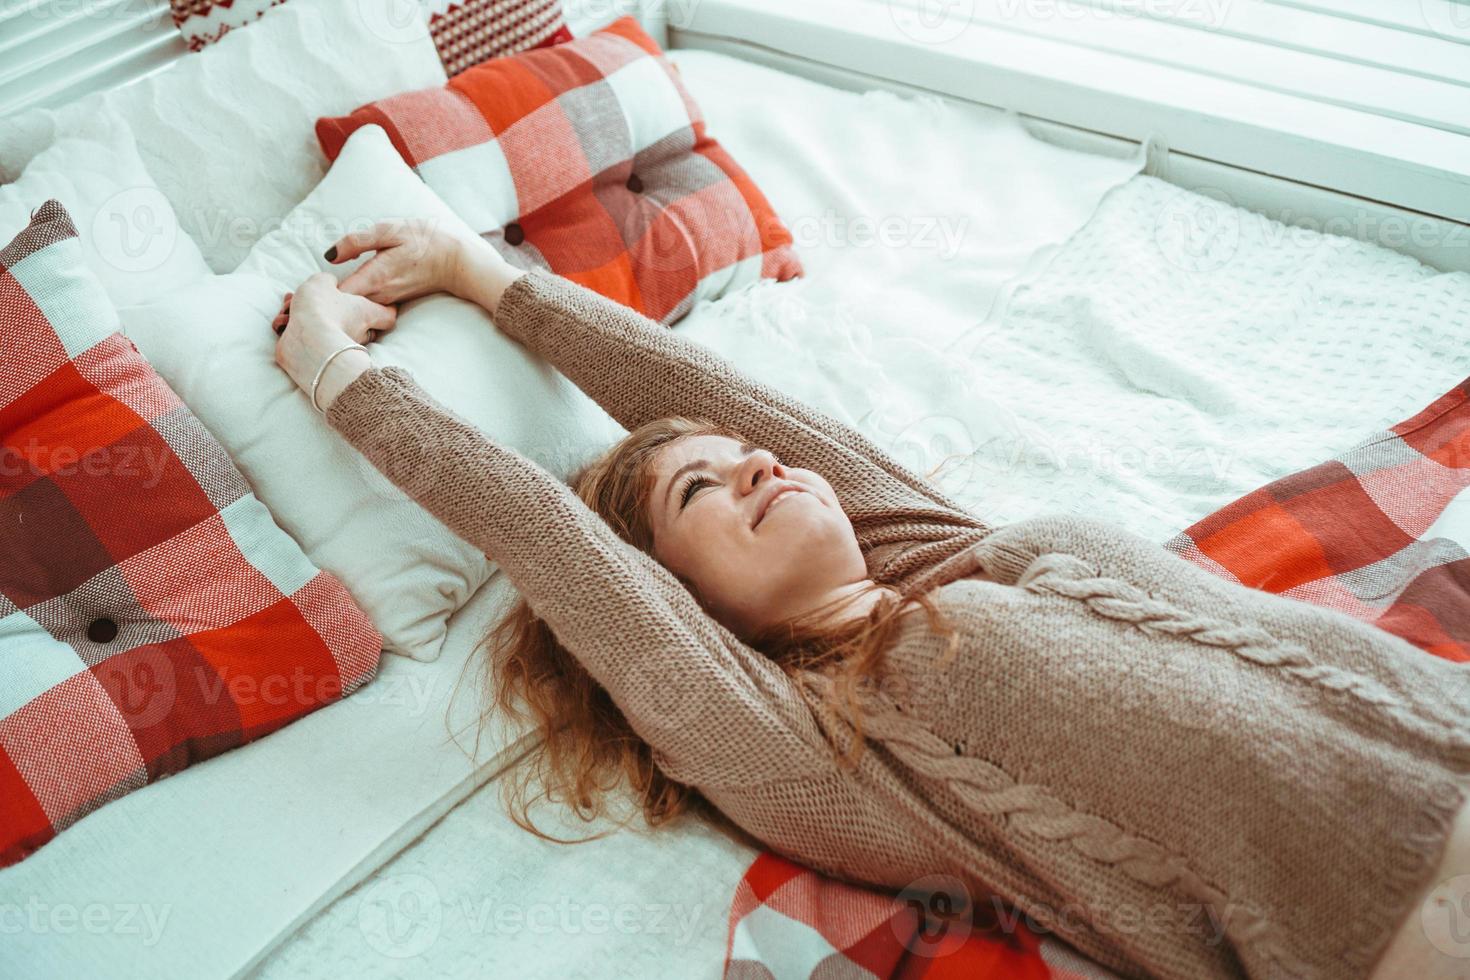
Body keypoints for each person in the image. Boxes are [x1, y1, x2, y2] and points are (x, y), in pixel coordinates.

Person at [272, 219, 1470, 980]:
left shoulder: (935, 555)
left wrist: (494, 279)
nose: (758, 463)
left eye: (750, 456)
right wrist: (339, 372)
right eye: (703, 489)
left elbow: (721, 394)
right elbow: (551, 537)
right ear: (686, 604)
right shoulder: (817, 739)